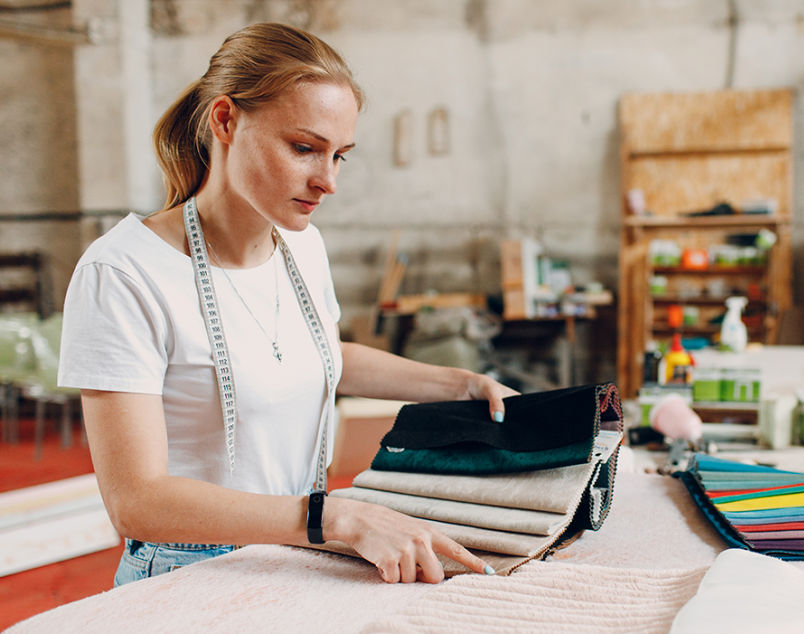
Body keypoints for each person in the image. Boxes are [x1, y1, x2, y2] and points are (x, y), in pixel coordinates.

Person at [57, 22, 516, 587]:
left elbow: (315, 354)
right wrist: (333, 516)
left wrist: (462, 385)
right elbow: (135, 501)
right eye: (304, 148)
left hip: (300, 548)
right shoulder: (124, 272)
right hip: (187, 568)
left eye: (340, 155)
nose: (328, 182)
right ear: (225, 120)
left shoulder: (301, 245)